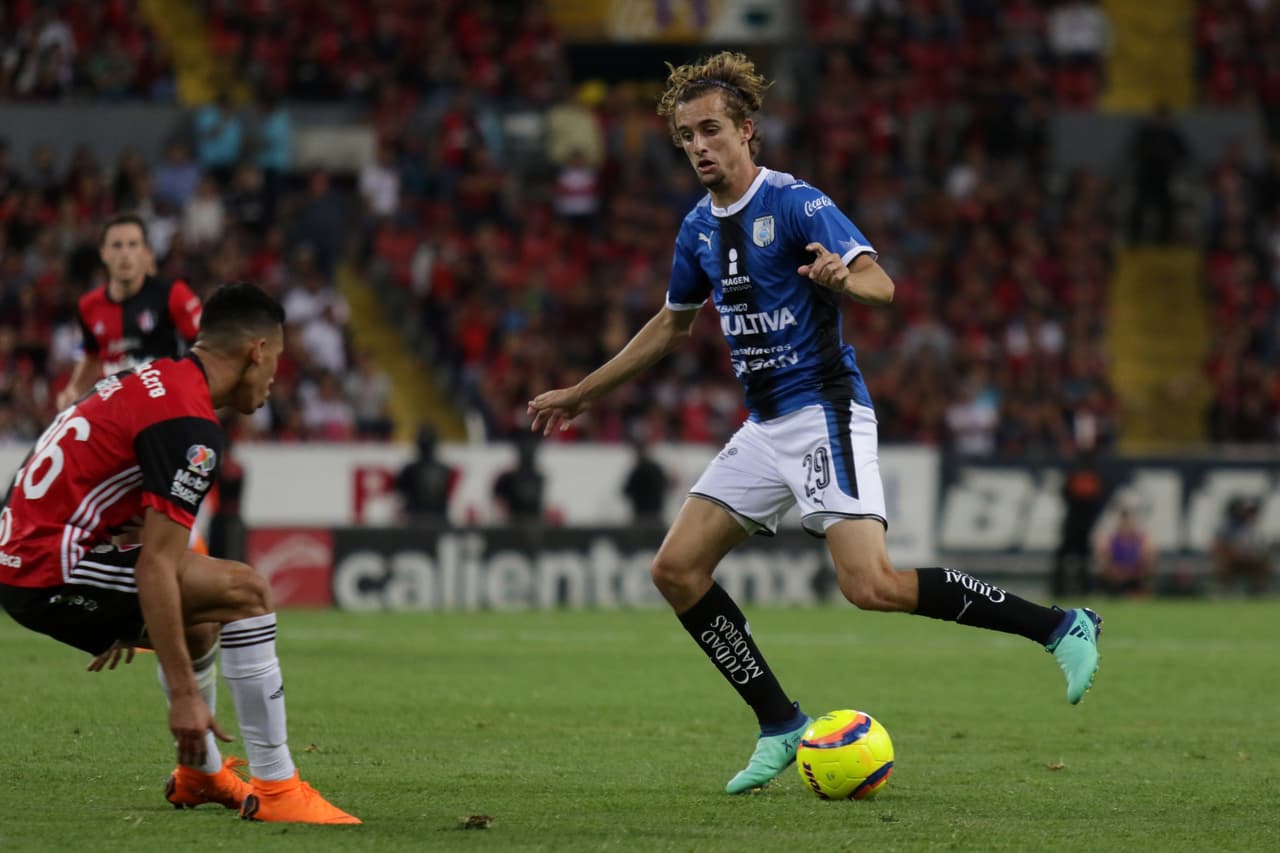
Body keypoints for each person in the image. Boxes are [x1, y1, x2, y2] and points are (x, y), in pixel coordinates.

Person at [527, 52, 1103, 795]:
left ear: (746, 129)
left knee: (870, 584)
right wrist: (583, 392)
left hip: (824, 411)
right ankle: (780, 723)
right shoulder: (697, 228)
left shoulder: (796, 203)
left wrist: (842, 277)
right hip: (764, 427)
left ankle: (1059, 626)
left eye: (711, 130)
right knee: (675, 569)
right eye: (686, 136)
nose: (699, 146)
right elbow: (672, 326)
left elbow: (881, 284)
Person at [0, 282, 359, 825]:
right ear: (257, 350)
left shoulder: (152, 381)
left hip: (33, 556)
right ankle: (278, 787)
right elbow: (157, 567)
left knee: (200, 624)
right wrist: (186, 696)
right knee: (247, 592)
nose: (274, 378)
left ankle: (201, 775)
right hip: (49, 569)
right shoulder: (189, 426)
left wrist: (111, 596)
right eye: (277, 360)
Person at [55, 213, 203, 410]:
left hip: (164, 407)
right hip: (114, 410)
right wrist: (73, 390)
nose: (124, 254)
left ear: (146, 252)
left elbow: (205, 346)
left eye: (132, 245)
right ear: (103, 253)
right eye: (117, 245)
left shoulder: (174, 294)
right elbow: (91, 356)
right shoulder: (88, 306)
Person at [1051, 446, 1108, 597]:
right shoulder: (1094, 478)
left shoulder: (1074, 475)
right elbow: (1098, 501)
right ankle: (1084, 589)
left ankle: (1059, 589)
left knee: (1063, 558)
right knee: (1083, 560)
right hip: (1085, 526)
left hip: (1072, 524)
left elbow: (1065, 495)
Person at [394, 424, 456, 525]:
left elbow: (399, 492)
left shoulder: (410, 469)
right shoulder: (445, 470)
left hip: (418, 520)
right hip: (435, 519)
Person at [1212, 497, 1272, 597]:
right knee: (1223, 564)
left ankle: (1257, 592)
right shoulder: (1227, 527)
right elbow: (1218, 547)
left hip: (1250, 559)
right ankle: (1224, 592)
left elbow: (1260, 546)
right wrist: (1238, 554)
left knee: (1263, 564)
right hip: (1233, 560)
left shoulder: (1254, 527)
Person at [1094, 502, 1156, 598]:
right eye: (1124, 520)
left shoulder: (1140, 539)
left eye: (1128, 520)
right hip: (1116, 572)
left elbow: (1147, 556)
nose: (1126, 524)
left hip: (1135, 572)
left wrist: (1139, 567)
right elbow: (1104, 555)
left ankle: (1138, 592)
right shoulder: (1111, 539)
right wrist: (1112, 567)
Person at [492, 435, 546, 524]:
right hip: (514, 520)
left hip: (533, 520)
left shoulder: (539, 478)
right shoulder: (508, 478)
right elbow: (497, 495)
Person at [622, 438, 668, 526]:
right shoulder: (657, 469)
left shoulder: (637, 470)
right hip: (656, 515)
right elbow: (666, 485)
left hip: (641, 516)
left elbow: (626, 490)